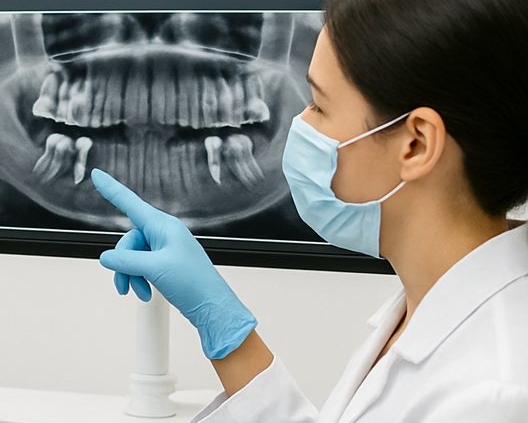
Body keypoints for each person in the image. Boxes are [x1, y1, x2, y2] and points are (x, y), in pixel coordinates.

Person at [90, 0, 528, 421]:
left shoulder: (494, 394)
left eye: (320, 105)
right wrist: (225, 329)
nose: (301, 123)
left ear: (416, 144)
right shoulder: (431, 307)